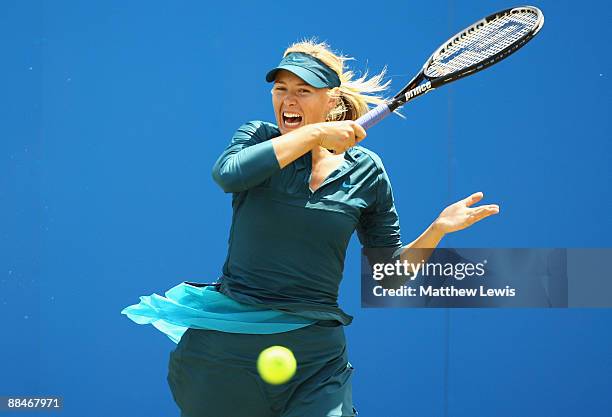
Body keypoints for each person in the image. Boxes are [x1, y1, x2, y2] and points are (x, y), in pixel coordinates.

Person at [121, 39, 499, 417]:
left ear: (332, 100)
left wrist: (436, 230)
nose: (289, 100)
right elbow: (228, 174)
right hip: (228, 348)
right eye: (281, 89)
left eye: (303, 91)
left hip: (317, 354)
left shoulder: (367, 171)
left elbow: (389, 277)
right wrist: (317, 135)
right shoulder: (258, 138)